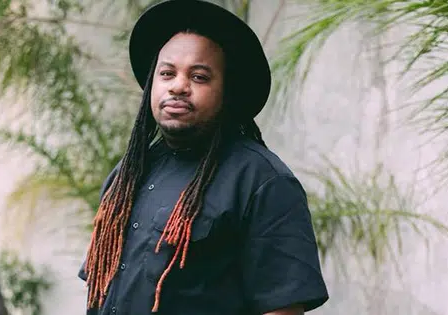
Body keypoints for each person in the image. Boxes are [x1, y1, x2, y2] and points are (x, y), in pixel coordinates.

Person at [78, 1, 329, 314]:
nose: (178, 86)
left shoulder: (262, 182)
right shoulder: (128, 175)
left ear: (227, 91)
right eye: (167, 73)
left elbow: (282, 309)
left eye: (199, 77)